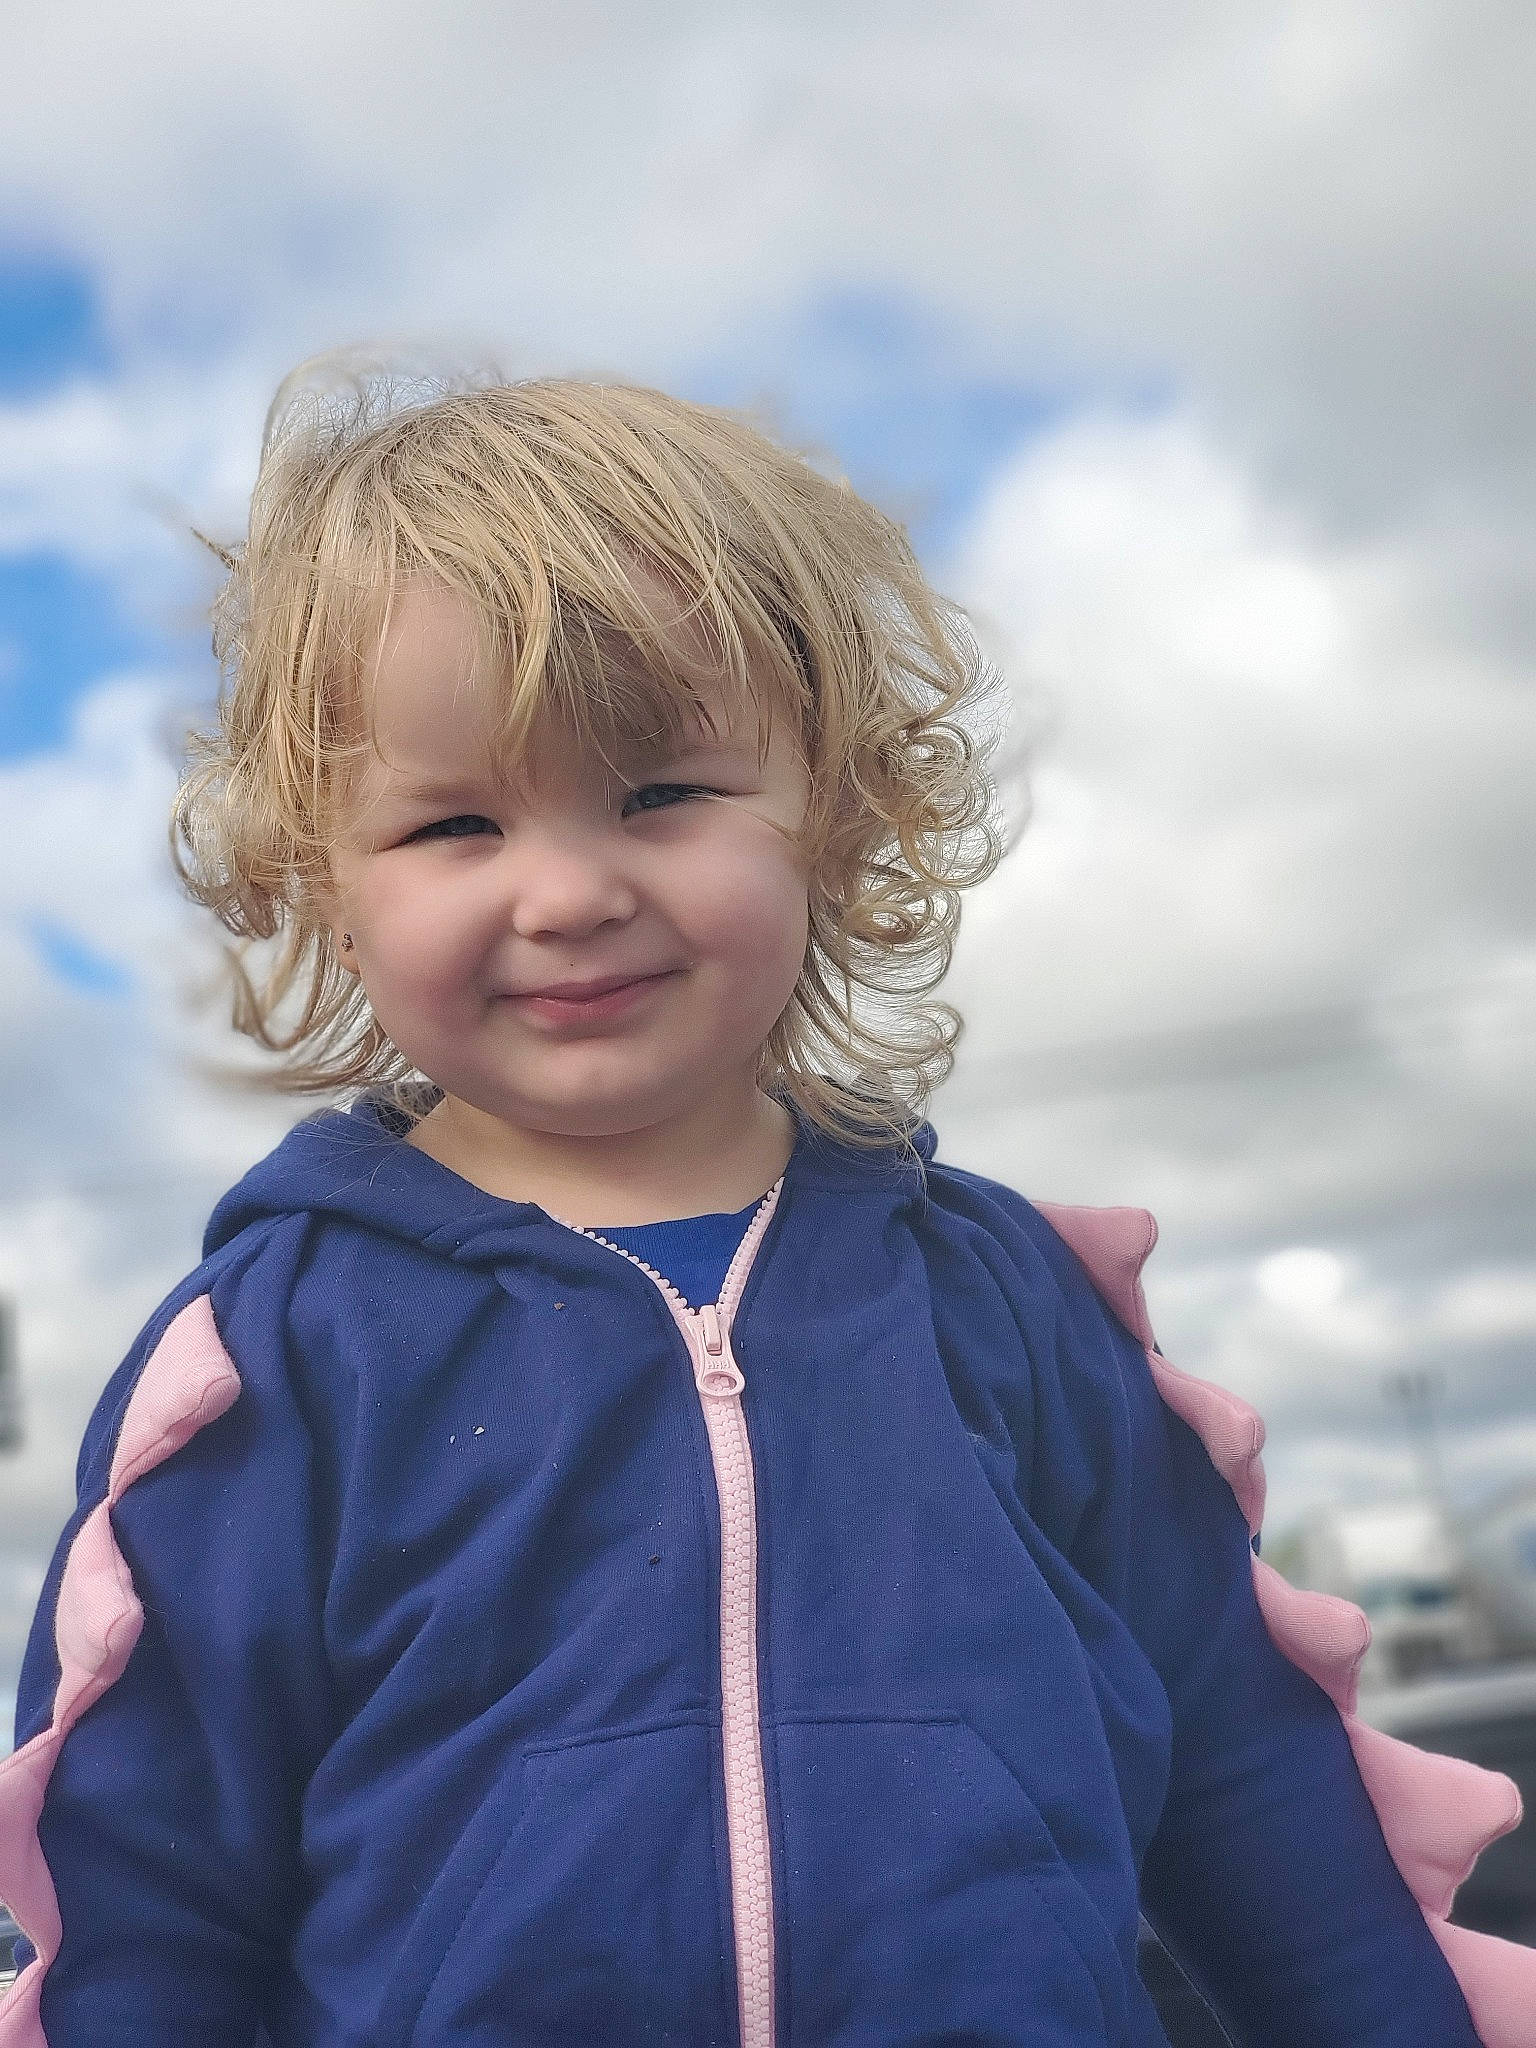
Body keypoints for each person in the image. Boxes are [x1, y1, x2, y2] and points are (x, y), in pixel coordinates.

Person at [0, 367, 1530, 2048]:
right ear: (321, 890)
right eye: (455, 822)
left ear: (838, 811)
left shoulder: (1004, 1303)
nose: (572, 893)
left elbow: (1255, 1799)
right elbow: (146, 1913)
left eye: (661, 793)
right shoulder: (271, 1364)